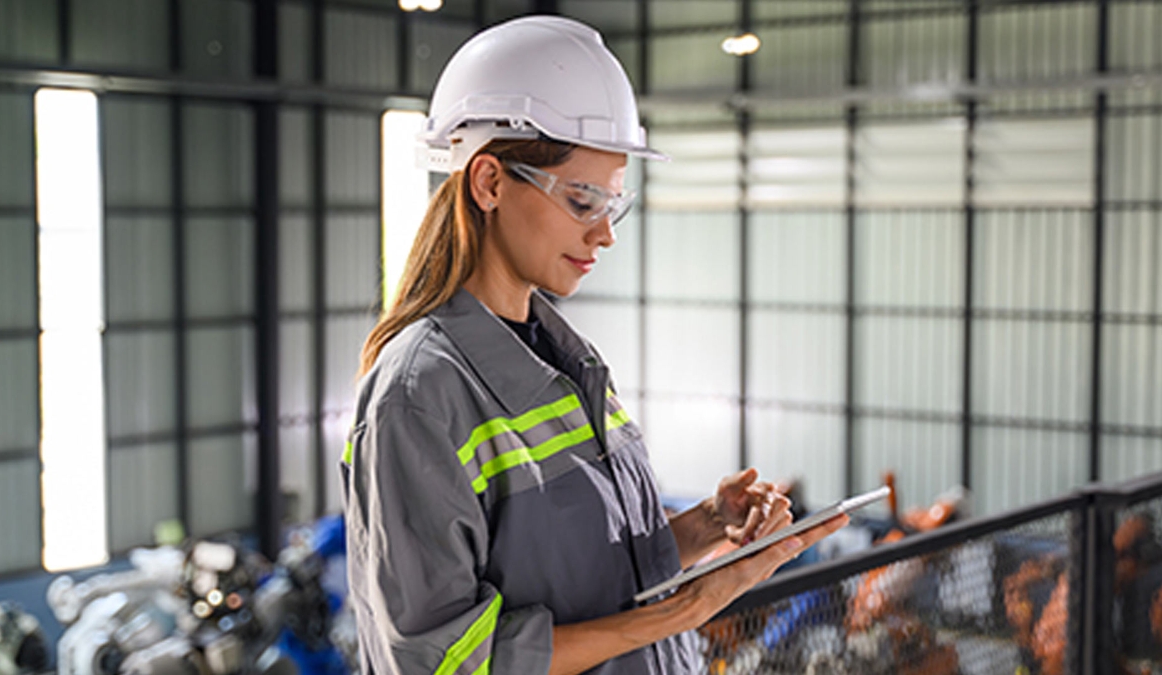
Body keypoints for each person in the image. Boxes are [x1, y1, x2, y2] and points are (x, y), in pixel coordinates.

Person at [340, 15, 848, 675]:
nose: (604, 233)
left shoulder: (565, 363)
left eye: (613, 202)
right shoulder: (418, 397)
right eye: (583, 201)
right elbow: (443, 659)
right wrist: (685, 609)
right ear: (489, 182)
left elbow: (584, 574)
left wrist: (704, 527)